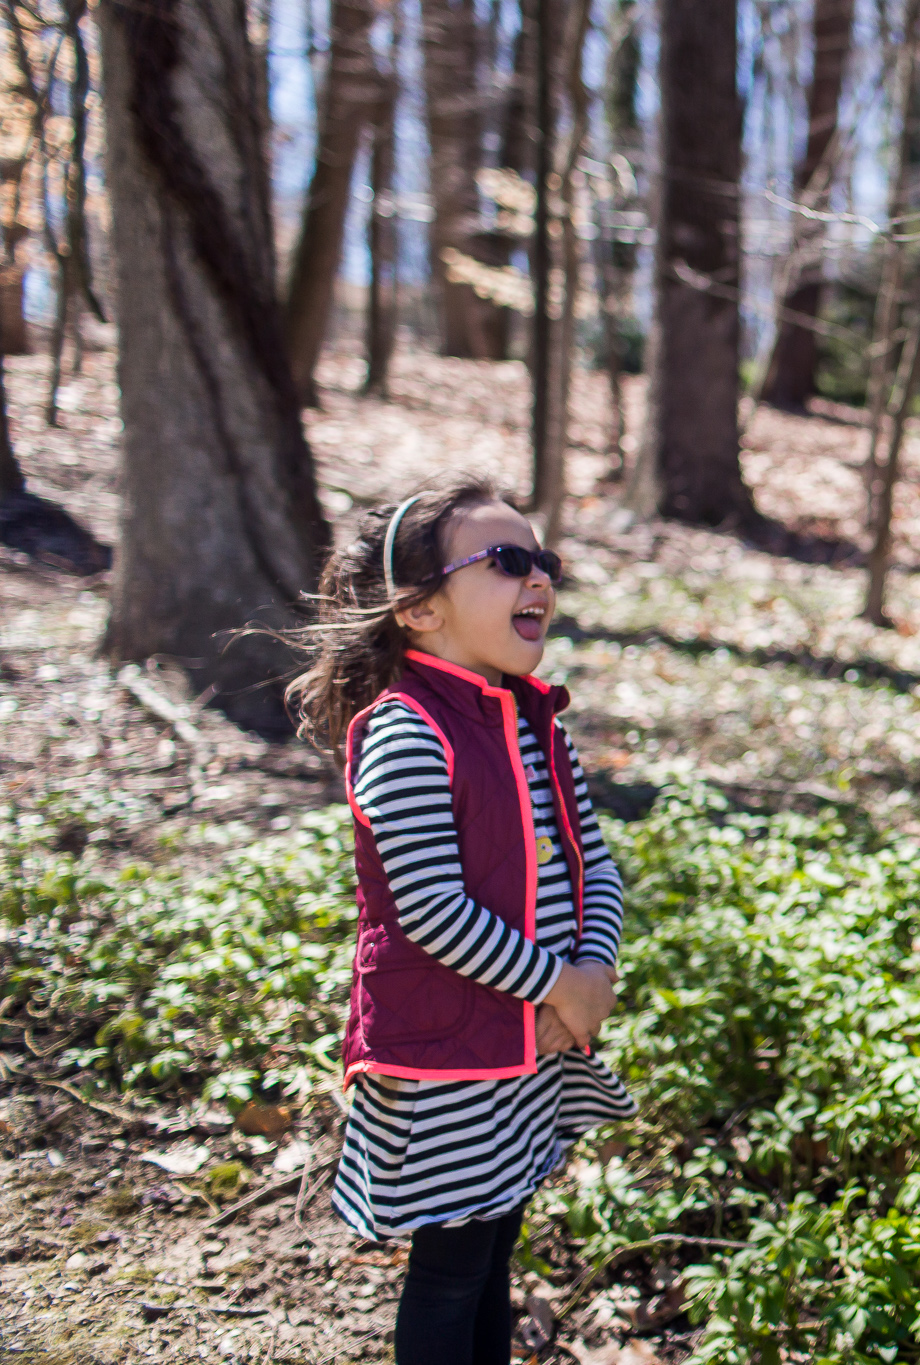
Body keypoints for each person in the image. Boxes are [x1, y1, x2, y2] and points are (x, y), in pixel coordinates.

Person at [289, 481, 637, 1363]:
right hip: (447, 1056)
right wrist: (562, 984)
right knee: (449, 1270)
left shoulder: (534, 722)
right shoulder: (406, 729)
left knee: (492, 1255)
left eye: (544, 563)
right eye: (508, 561)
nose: (539, 581)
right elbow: (433, 909)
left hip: (531, 1043)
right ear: (418, 609)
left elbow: (592, 860)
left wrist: (590, 979)